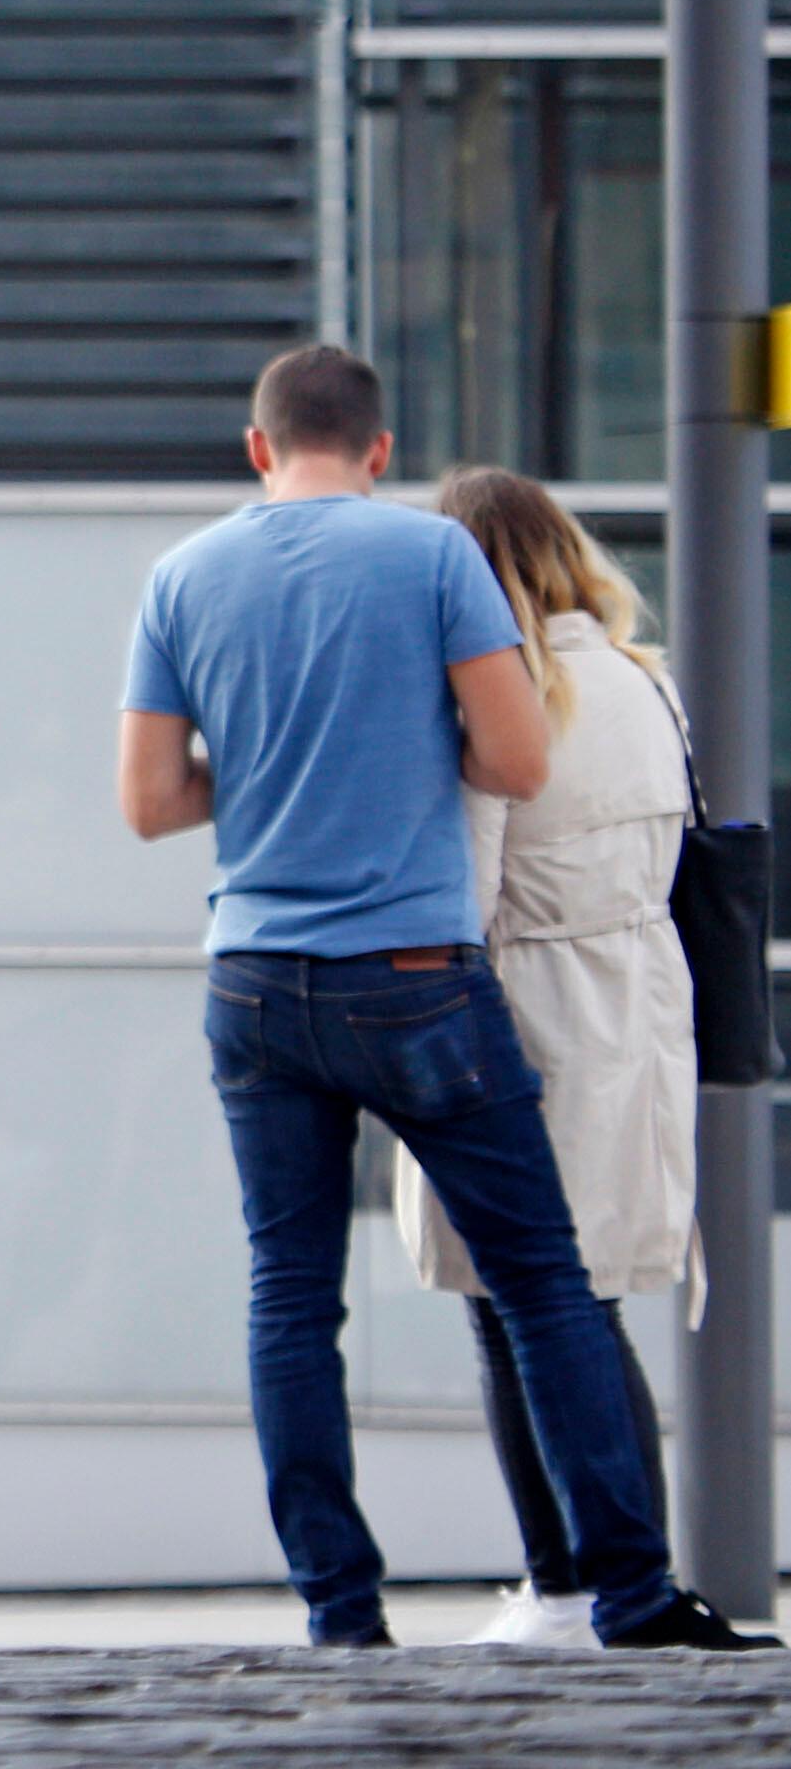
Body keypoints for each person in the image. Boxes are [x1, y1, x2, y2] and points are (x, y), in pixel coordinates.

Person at [115, 345, 762, 1652]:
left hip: (252, 982)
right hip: (413, 978)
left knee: (289, 1300)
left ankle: (340, 1613)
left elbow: (148, 804)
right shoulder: (430, 560)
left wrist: (286, 773)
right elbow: (517, 762)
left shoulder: (180, 577)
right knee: (542, 1280)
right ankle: (628, 1592)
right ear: (379, 450)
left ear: (257, 449)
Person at [403, 470, 699, 1647]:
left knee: (516, 1306)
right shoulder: (644, 683)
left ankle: (569, 1586)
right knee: (588, 1303)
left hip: (520, 1015)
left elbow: (466, 894)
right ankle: (623, 1580)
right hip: (638, 1003)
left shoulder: (507, 697)